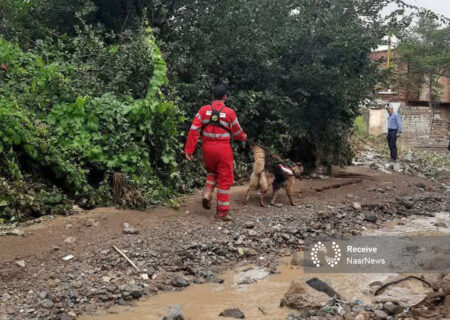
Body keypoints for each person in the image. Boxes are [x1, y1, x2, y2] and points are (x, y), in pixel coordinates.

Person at [184, 85, 247, 221]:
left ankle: (208, 191)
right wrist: (243, 137)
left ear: (213, 97)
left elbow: (194, 130)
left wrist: (189, 150)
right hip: (223, 149)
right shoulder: (229, 112)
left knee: (212, 172)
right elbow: (237, 133)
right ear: (225, 97)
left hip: (207, 149)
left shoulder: (203, 110)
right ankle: (222, 213)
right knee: (224, 180)